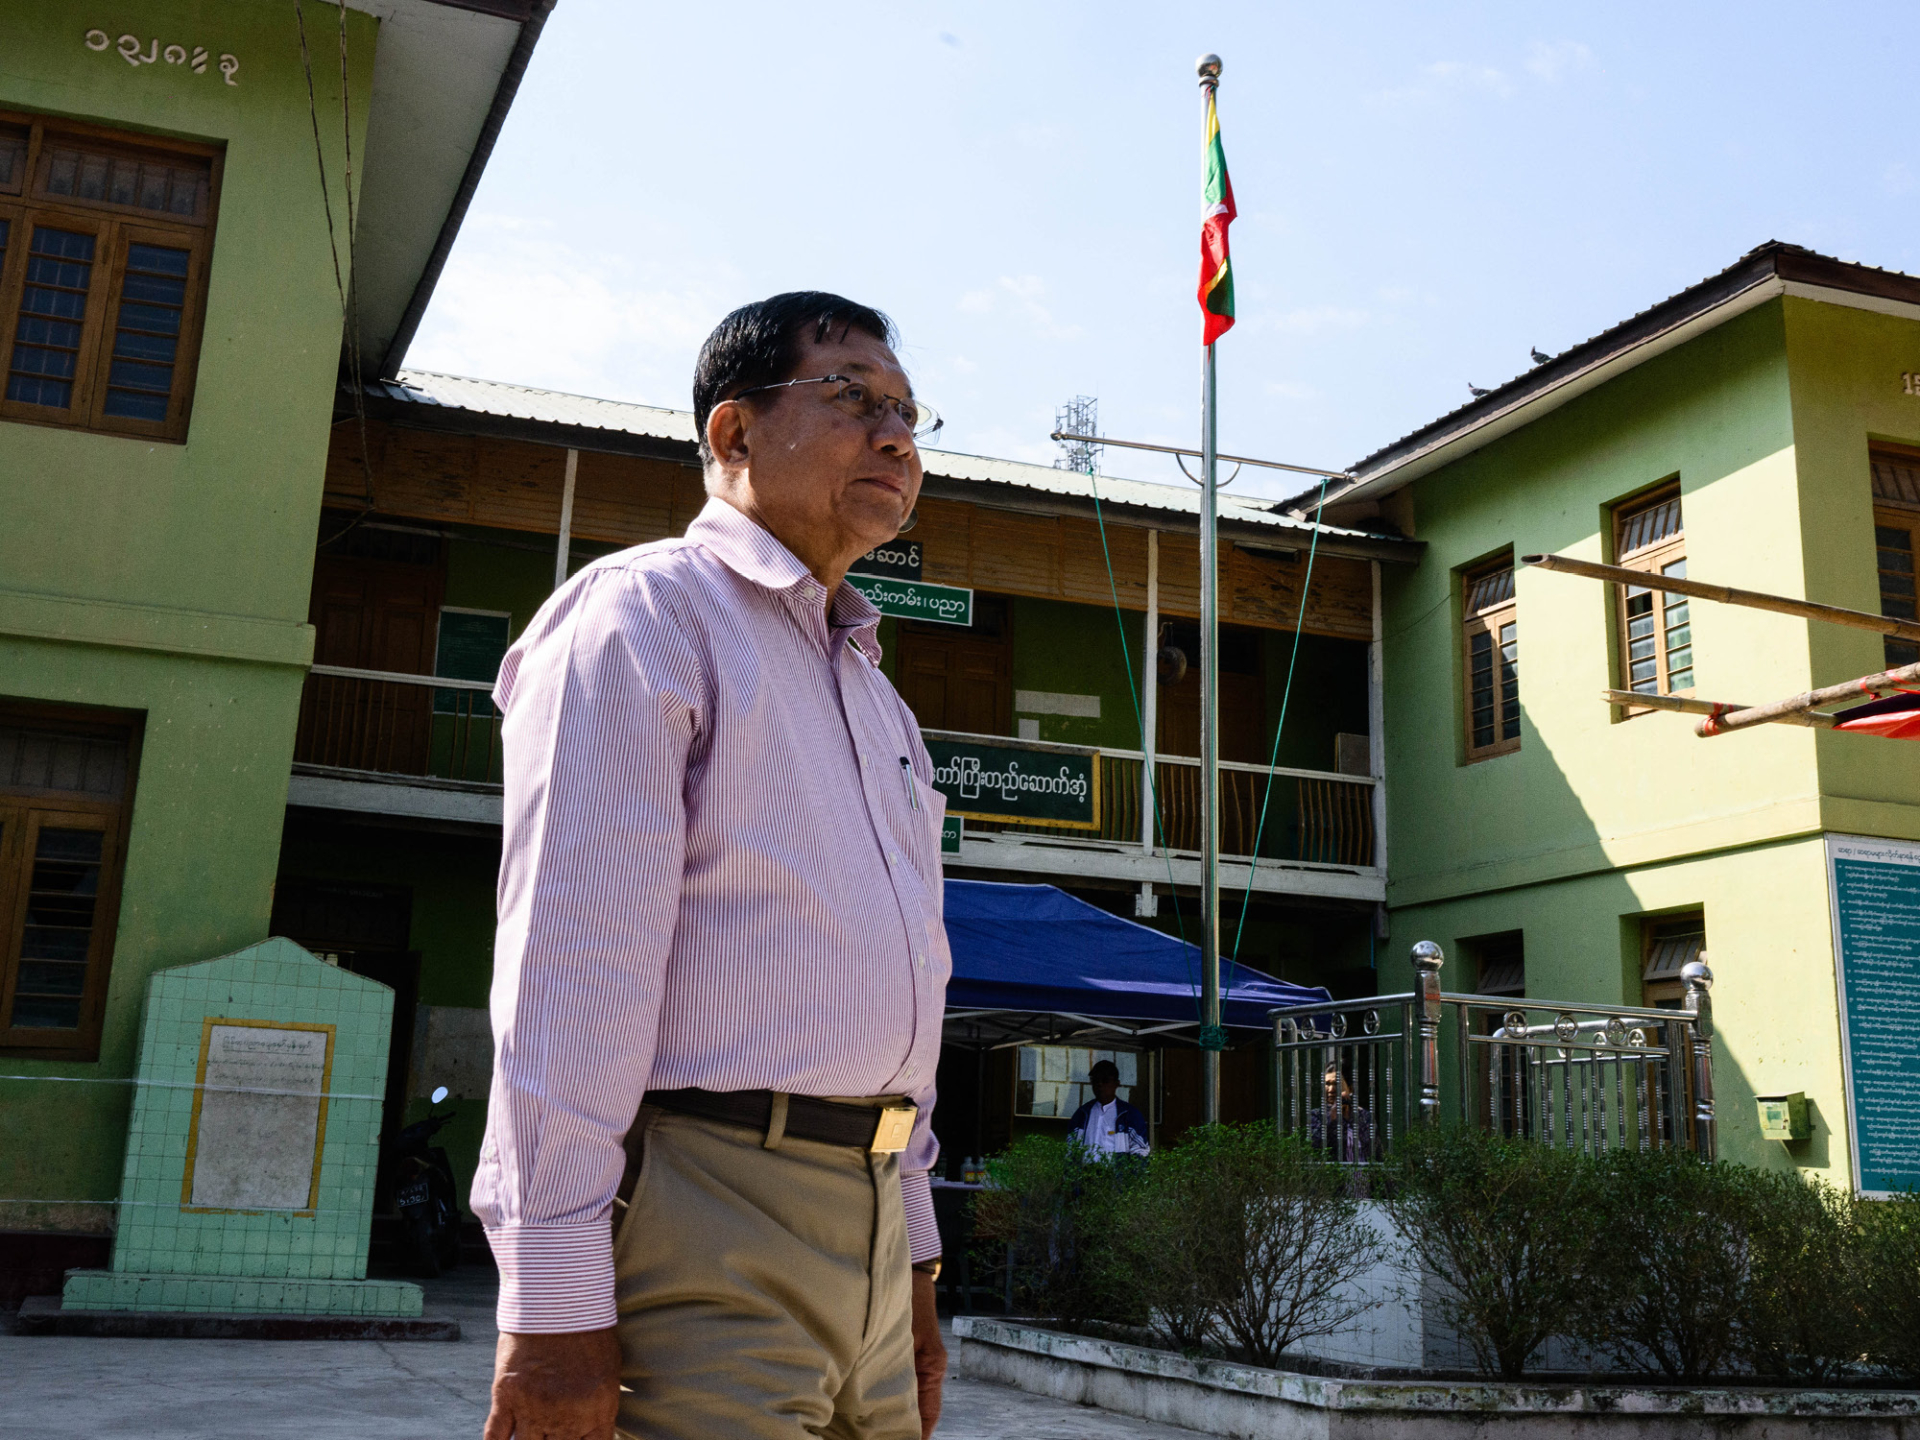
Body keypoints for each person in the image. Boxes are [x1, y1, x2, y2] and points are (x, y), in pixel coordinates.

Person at [474, 293, 952, 1440]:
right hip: (712, 1207)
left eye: (908, 414)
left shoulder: (880, 701)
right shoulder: (642, 619)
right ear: (733, 432)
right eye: (852, 397)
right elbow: (569, 974)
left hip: (879, 1224)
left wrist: (918, 1269)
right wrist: (551, 1308)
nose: (895, 438)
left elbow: (909, 1000)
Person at [1066, 1060, 1150, 1159]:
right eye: (1095, 1080)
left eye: (1105, 1080)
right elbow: (1070, 1149)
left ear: (1116, 1083)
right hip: (1085, 1169)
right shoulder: (1082, 1114)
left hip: (1117, 1169)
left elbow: (1140, 1151)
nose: (1100, 1084)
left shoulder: (1130, 1115)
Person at [1307, 1063, 1376, 1162]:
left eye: (1336, 1084)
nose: (1331, 1089)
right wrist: (1332, 1117)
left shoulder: (1364, 1116)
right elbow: (1314, 1147)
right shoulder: (1316, 1115)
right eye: (1327, 1084)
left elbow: (1376, 1153)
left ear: (1350, 1088)